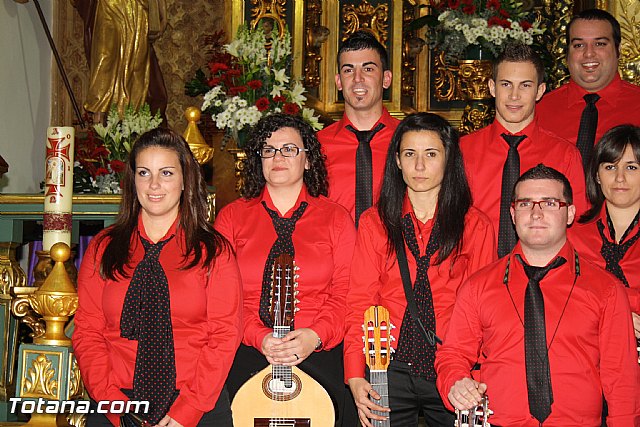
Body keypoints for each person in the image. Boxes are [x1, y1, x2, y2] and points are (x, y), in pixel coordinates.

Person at [435, 164, 640, 426]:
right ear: (512, 213)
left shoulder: (607, 290)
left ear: (570, 214)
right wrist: (455, 383)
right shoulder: (478, 286)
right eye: (525, 204)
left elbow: (622, 380)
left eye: (550, 203)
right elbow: (452, 355)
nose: (536, 213)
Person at [73, 128, 242, 427]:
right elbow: (87, 333)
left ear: (184, 181)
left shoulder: (213, 251)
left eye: (166, 173)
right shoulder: (103, 248)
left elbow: (225, 336)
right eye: (143, 173)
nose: (153, 185)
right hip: (116, 403)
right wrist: (115, 405)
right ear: (132, 181)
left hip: (196, 403)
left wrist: (186, 412)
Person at [344, 113, 496, 426]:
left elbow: (484, 311)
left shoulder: (475, 225)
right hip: (387, 362)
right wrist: (355, 374)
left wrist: (475, 371)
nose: (420, 166)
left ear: (448, 158)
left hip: (452, 364)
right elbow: (360, 300)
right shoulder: (375, 223)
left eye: (431, 154)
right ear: (397, 161)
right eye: (410, 154)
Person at [214, 114, 357, 426]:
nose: (277, 157)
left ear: (307, 160)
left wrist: (314, 336)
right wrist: (259, 336)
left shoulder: (335, 218)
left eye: (289, 149)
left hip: (319, 348)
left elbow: (346, 292)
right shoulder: (232, 218)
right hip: (249, 347)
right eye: (268, 150)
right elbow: (222, 298)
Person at [460, 42, 586, 257]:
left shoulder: (565, 155)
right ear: (491, 87)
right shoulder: (461, 151)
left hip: (542, 277)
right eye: (506, 84)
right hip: (474, 273)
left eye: (525, 85)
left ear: (540, 91)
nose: (514, 96)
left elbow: (577, 229)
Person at [537, 9, 640, 170]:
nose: (589, 53)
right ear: (567, 54)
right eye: (579, 45)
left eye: (600, 44)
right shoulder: (539, 110)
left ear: (618, 50)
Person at [569, 124, 640, 352]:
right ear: (597, 176)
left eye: (631, 167)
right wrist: (618, 316)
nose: (620, 178)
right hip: (584, 360)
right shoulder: (571, 236)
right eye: (610, 167)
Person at [317, 30, 400, 226]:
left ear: (386, 79)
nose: (357, 78)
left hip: (397, 254)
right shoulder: (316, 145)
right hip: (335, 254)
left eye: (368, 69)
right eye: (348, 70)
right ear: (339, 82)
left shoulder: (409, 140)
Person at [72, 0, 168, 122]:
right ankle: (100, 118)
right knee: (104, 59)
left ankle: (132, 122)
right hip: (108, 5)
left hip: (137, 8)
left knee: (136, 66)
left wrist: (162, 11)